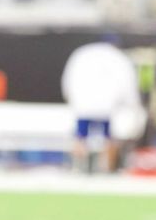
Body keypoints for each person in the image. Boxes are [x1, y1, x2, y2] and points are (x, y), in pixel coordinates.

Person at [60, 37, 141, 174]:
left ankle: (78, 167)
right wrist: (133, 104)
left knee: (81, 137)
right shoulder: (118, 58)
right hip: (106, 105)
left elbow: (68, 80)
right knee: (107, 138)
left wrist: (70, 98)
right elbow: (127, 83)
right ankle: (106, 168)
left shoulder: (82, 53)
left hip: (84, 104)